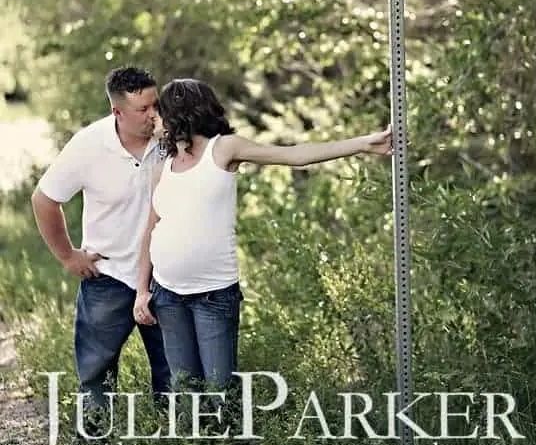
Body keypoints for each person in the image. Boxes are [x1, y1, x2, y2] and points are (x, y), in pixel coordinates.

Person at [133, 77, 392, 391]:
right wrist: (141, 291)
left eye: (160, 113)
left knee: (220, 393)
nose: (154, 119)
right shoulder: (165, 166)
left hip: (213, 296)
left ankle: (229, 443)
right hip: (168, 295)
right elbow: (149, 230)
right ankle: (196, 443)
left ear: (179, 114)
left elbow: (295, 155)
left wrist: (364, 143)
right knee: (185, 389)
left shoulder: (224, 148)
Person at [31, 66, 171, 409]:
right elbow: (45, 199)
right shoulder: (89, 145)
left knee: (173, 377)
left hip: (165, 278)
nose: (153, 114)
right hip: (107, 278)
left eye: (156, 104)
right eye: (143, 109)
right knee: (96, 380)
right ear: (117, 112)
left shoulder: (171, 138)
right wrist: (68, 256)